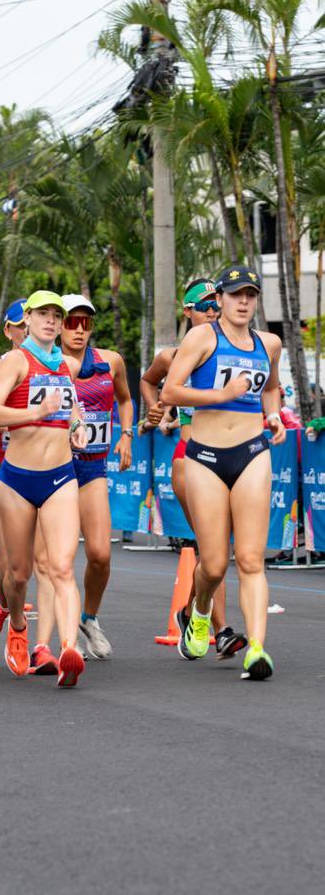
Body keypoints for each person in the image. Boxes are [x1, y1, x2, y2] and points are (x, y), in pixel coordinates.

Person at [161, 266, 285, 680]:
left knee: (250, 559)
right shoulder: (202, 338)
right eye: (235, 295)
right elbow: (170, 391)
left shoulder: (269, 343)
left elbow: (271, 388)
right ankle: (198, 614)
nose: (243, 302)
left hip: (252, 453)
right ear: (220, 299)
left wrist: (274, 416)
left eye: (250, 294)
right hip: (206, 457)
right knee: (214, 565)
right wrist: (221, 394)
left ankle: (257, 649)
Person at [0, 290, 88, 688]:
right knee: (18, 573)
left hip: (60, 475)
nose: (50, 321)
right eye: (43, 314)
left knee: (62, 567)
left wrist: (77, 426)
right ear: (27, 319)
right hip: (18, 479)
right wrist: (35, 412)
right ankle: (16, 624)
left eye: (56, 316)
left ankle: (69, 649)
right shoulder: (15, 361)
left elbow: (71, 406)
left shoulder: (66, 365)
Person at [141, 278, 247, 659]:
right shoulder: (173, 356)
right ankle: (222, 630)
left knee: (217, 550)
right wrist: (155, 409)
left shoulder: (233, 351)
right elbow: (148, 381)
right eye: (205, 306)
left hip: (228, 456)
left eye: (216, 304)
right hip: (189, 456)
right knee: (210, 545)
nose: (213, 312)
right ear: (187, 311)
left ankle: (189, 612)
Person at [34, 294, 133, 661]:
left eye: (85, 323)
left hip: (92, 467)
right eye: (71, 322)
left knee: (100, 554)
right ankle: (53, 632)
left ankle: (88, 619)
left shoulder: (111, 361)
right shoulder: (46, 364)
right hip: (55, 469)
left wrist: (127, 434)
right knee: (44, 563)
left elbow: (125, 399)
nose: (78, 330)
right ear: (59, 325)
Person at [0, 298, 57, 675]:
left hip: (48, 472)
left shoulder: (56, 366)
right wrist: (16, 421)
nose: (27, 331)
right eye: (20, 325)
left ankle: (43, 645)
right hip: (4, 472)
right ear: (11, 330)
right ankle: (11, 614)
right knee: (14, 571)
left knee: (47, 564)